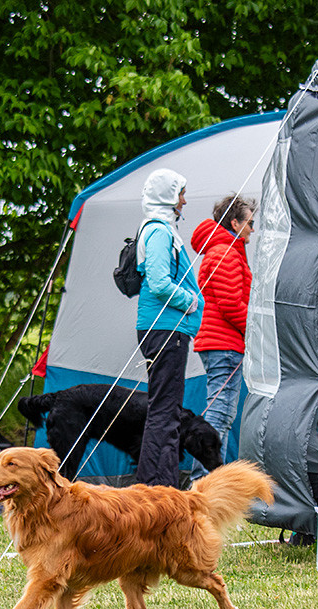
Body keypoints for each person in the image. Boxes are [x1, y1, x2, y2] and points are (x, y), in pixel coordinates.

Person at [134, 169, 204, 487]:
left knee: (164, 410)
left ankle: (159, 483)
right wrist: (189, 300)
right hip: (166, 330)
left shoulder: (159, 229)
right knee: (165, 412)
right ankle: (157, 486)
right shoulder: (160, 232)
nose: (184, 201)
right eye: (181, 194)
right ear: (168, 196)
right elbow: (160, 282)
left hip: (164, 330)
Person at [189, 194, 256, 480]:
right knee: (220, 415)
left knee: (221, 414)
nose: (253, 229)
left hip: (220, 342)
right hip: (225, 343)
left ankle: (209, 483)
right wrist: (253, 332)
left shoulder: (222, 250)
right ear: (235, 222)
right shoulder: (226, 252)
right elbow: (231, 303)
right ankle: (204, 483)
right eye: (250, 223)